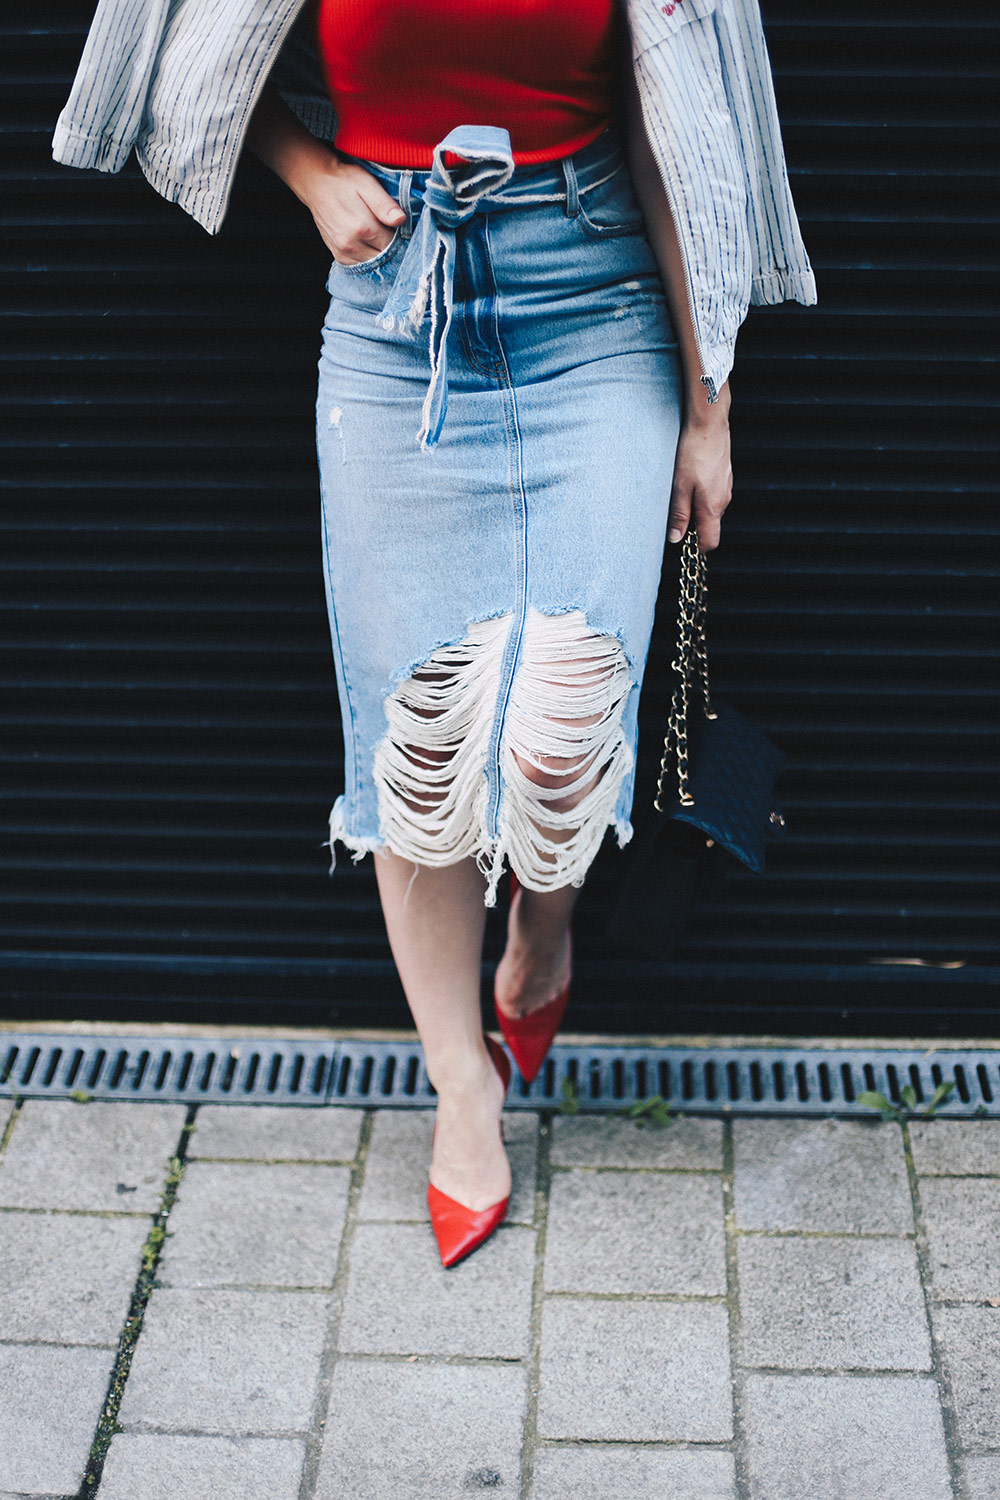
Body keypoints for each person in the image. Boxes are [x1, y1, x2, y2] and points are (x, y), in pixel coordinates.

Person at [53, 0, 816, 1267]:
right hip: (394, 312)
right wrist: (313, 178)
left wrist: (708, 409)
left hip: (596, 300)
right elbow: (190, 67)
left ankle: (542, 935)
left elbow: (684, 141)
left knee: (564, 741)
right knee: (416, 754)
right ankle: (462, 1087)